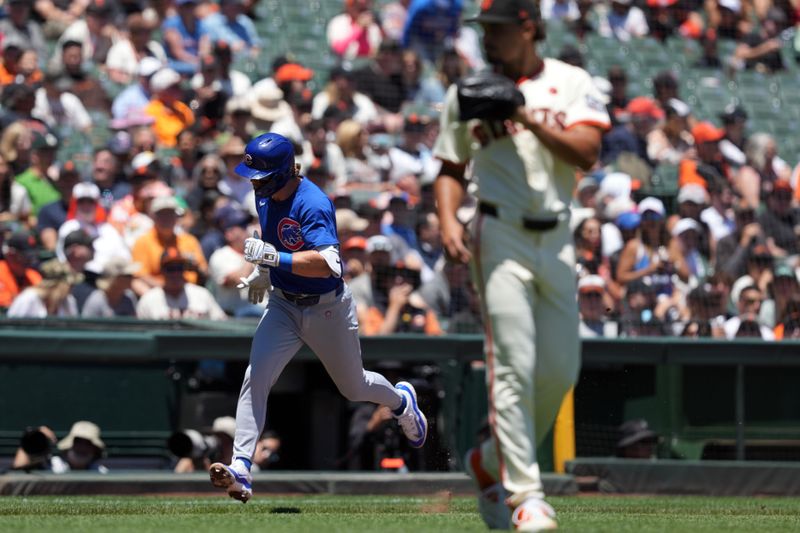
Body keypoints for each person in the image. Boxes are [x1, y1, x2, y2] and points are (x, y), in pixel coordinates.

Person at [433, 1, 609, 529]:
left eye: (498, 28)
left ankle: (488, 464)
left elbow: (587, 152)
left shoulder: (572, 81)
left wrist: (524, 115)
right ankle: (525, 495)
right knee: (512, 361)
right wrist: (446, 218)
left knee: (559, 370)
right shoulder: (468, 92)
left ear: (528, 27)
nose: (488, 38)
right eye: (484, 29)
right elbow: (449, 165)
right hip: (499, 230)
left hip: (557, 235)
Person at [207, 132, 427, 503]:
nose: (253, 181)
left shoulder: (313, 202)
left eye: (259, 175)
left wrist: (276, 260)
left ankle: (401, 403)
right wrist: (265, 270)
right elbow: (277, 238)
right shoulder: (264, 193)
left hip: (326, 306)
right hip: (283, 305)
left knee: (353, 387)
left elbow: (330, 265)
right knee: (255, 377)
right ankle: (242, 467)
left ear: (279, 172)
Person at [136, 247, 226, 320]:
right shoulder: (149, 299)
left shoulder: (202, 294)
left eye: (179, 268)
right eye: (170, 269)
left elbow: (221, 322)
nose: (175, 273)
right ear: (162, 271)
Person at [7, 259, 80, 318]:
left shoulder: (68, 300)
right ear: (58, 285)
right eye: (70, 285)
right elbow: (11, 327)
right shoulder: (29, 297)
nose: (71, 288)